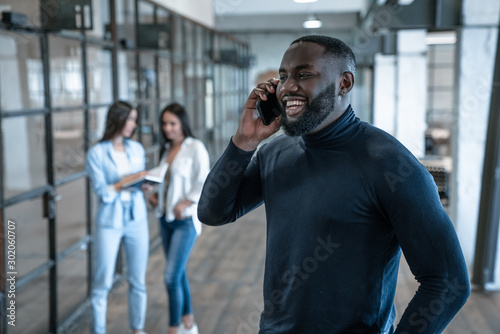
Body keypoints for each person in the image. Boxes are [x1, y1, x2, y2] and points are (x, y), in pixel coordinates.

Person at [197, 35, 470, 333]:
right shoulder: (275, 153)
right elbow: (213, 212)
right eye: (284, 76)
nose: (288, 87)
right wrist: (244, 142)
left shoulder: (390, 164)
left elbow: (448, 282)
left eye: (304, 74)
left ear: (344, 83)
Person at [86, 101, 149, 334]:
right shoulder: (96, 153)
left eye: (134, 119)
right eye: (130, 119)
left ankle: (137, 329)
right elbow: (103, 193)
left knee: (138, 280)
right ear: (118, 120)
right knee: (102, 282)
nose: (133, 124)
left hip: (137, 218)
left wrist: (143, 185)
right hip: (109, 222)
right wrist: (124, 182)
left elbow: (135, 183)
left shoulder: (137, 149)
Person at [148, 103, 210, 334]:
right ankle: (188, 319)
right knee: (179, 271)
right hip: (165, 219)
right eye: (164, 123)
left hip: (185, 221)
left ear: (183, 123)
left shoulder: (195, 148)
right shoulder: (167, 150)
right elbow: (167, 182)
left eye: (172, 123)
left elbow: (205, 180)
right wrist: (155, 197)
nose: (167, 128)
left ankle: (173, 328)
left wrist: (186, 202)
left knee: (170, 277)